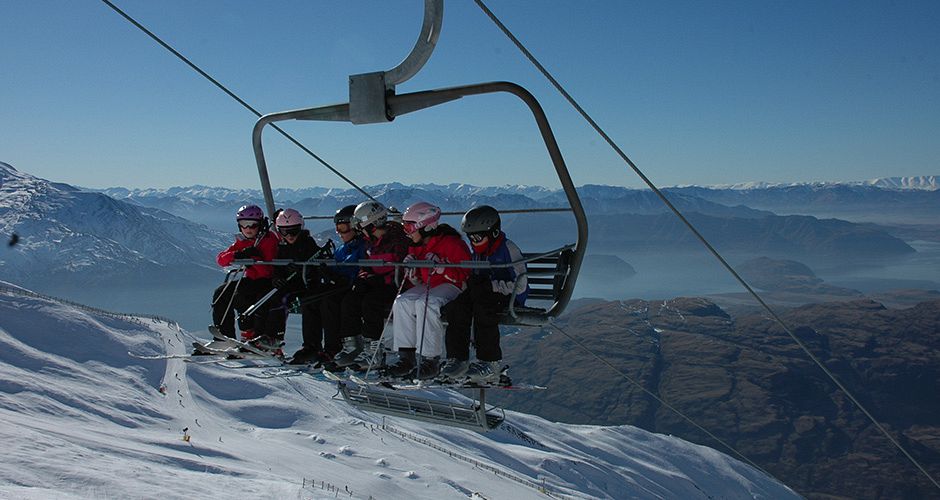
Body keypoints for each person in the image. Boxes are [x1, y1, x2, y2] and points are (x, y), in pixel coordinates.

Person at [440, 205, 528, 384]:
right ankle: (458, 359)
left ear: (493, 232)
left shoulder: (508, 249)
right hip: (482, 293)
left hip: (508, 298)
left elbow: (521, 285)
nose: (473, 241)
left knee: (483, 308)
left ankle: (490, 363)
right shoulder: (478, 254)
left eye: (477, 237)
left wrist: (493, 286)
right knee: (456, 308)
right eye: (470, 237)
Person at [386, 201, 471, 380]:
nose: (407, 232)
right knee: (402, 301)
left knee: (427, 303)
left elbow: (465, 273)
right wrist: (412, 265)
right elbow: (418, 277)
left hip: (452, 286)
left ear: (424, 226)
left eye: (409, 227)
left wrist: (443, 268)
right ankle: (406, 357)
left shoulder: (451, 244)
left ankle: (430, 360)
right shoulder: (418, 245)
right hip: (431, 285)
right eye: (405, 227)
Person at [329, 200, 409, 372]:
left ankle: (374, 351)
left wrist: (379, 278)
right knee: (350, 300)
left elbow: (400, 266)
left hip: (392, 284)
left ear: (371, 224)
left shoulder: (397, 239)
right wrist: (364, 275)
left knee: (371, 303)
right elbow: (366, 263)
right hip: (375, 281)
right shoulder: (369, 241)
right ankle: (352, 345)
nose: (359, 231)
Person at [290, 204, 366, 365]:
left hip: (351, 286)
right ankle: (311, 345)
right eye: (338, 228)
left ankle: (333, 347)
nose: (339, 232)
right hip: (338, 284)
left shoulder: (363, 246)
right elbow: (336, 264)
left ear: (356, 226)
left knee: (328, 303)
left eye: (344, 227)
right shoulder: (342, 249)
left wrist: (339, 274)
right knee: (310, 299)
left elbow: (360, 267)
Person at [210, 204, 279, 341]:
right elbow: (221, 260)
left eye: (252, 225)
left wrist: (253, 259)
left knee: (241, 296)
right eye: (243, 224)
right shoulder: (243, 242)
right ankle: (224, 335)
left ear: (260, 224)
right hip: (252, 280)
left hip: (268, 281)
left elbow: (268, 270)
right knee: (221, 293)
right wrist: (238, 254)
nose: (247, 229)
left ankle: (250, 333)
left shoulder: (268, 240)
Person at [261, 208, 323, 356]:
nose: (289, 236)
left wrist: (304, 268)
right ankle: (269, 338)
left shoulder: (307, 243)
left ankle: (311, 346)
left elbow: (317, 264)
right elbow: (278, 266)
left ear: (300, 229)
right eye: (284, 232)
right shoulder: (282, 247)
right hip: (290, 284)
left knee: (305, 303)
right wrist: (277, 278)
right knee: (274, 297)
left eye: (293, 231)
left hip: (305, 285)